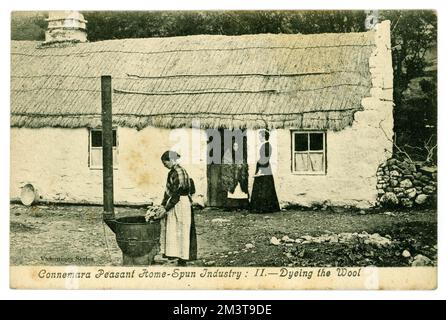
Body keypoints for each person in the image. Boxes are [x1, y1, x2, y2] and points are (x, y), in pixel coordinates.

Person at [149, 150, 197, 266]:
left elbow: (177, 192)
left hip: (180, 203)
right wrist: (162, 204)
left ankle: (182, 258)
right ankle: (178, 256)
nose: (164, 165)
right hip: (178, 202)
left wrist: (167, 207)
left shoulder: (178, 172)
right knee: (177, 229)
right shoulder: (175, 171)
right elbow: (168, 191)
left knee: (181, 229)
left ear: (170, 160)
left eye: (165, 163)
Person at [250, 129, 280, 213]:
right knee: (264, 188)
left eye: (260, 135)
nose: (259, 137)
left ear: (263, 136)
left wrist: (260, 171)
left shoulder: (266, 146)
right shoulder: (265, 145)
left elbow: (265, 159)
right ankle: (263, 208)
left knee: (264, 188)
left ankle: (263, 208)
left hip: (264, 168)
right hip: (264, 167)